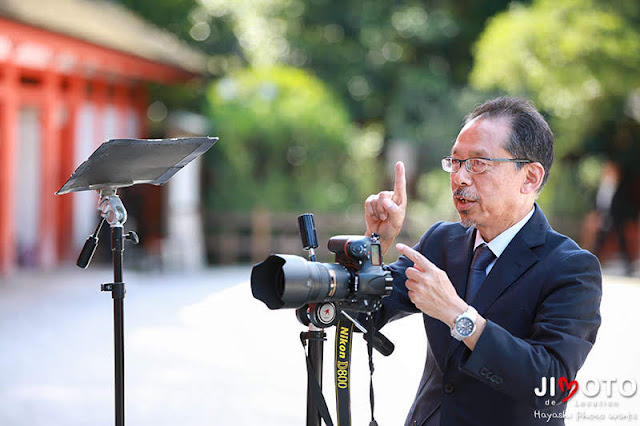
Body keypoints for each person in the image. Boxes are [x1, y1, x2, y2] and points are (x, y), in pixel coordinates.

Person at [364, 97, 602, 426]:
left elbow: (552, 382)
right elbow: (362, 312)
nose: (460, 178)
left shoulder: (571, 268)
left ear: (530, 177)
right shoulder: (441, 243)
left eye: (477, 164)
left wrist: (459, 316)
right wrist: (374, 243)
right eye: (456, 162)